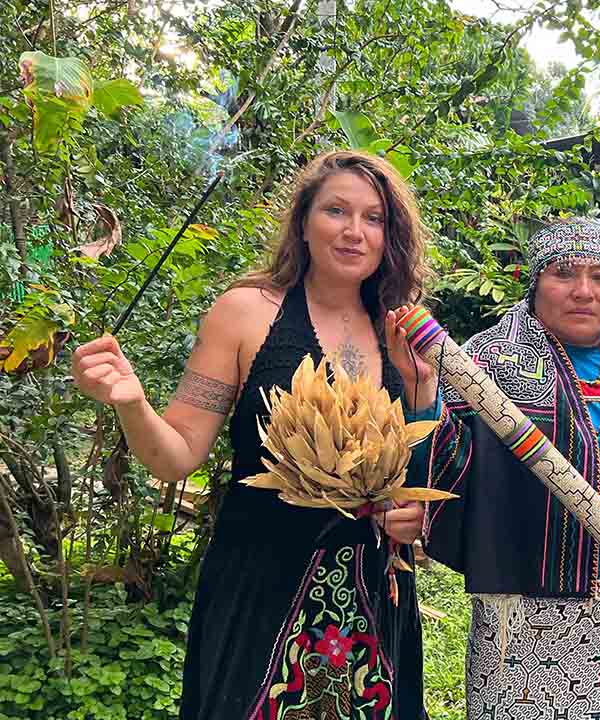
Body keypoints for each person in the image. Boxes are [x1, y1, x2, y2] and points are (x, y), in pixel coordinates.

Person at [72, 150, 437, 720]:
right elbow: (177, 456)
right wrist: (133, 403)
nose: (354, 231)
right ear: (303, 221)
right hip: (260, 588)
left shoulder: (404, 328)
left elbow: (421, 470)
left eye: (374, 218)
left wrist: (413, 506)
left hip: (375, 599)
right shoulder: (246, 313)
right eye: (336, 210)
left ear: (392, 236)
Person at [417, 217, 600, 719]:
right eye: (564, 273)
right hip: (520, 607)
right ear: (536, 280)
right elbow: (442, 461)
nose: (583, 291)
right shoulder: (484, 365)